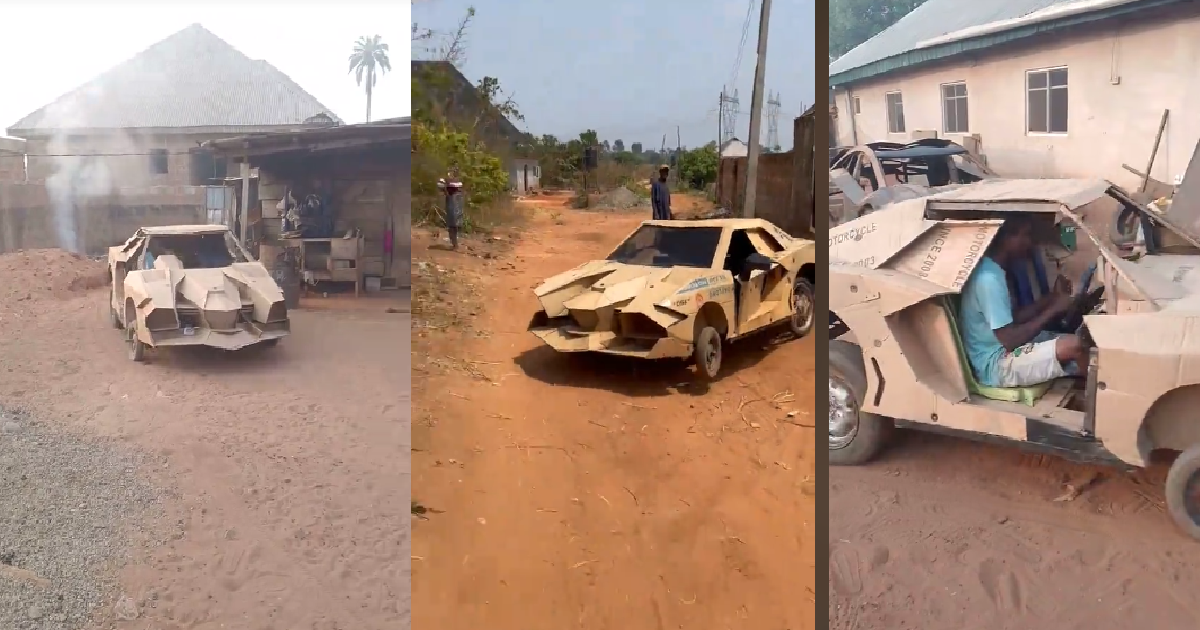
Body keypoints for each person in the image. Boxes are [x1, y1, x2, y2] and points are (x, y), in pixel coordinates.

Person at [960, 215, 1086, 388]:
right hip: (997, 364)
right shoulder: (989, 280)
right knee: (1075, 346)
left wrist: (1052, 298)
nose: (1030, 243)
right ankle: (1103, 395)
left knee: (1086, 342)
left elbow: (1013, 318)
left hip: (1004, 348)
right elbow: (1010, 340)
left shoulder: (992, 270)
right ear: (1007, 238)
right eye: (1025, 235)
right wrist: (1053, 309)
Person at [438, 171, 465, 250]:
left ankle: (455, 244)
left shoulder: (453, 194)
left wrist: (445, 190)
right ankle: (455, 244)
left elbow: (441, 186)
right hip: (455, 210)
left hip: (453, 210)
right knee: (454, 226)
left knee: (453, 226)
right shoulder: (457, 194)